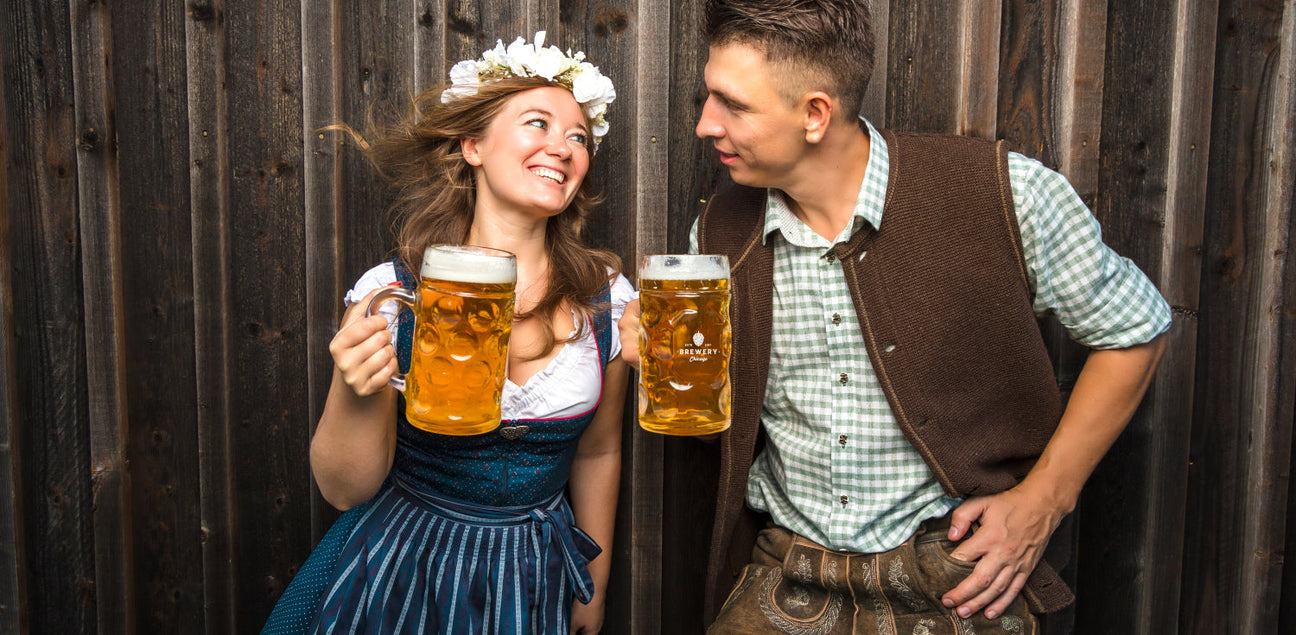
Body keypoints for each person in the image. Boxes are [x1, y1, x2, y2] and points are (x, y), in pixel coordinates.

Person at [618, 1, 1170, 633]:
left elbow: (1135, 331)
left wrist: (1046, 498)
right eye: (707, 98)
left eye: (732, 104)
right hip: (787, 568)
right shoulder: (719, 235)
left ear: (815, 114)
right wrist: (668, 364)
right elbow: (725, 419)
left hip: (961, 570)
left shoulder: (1001, 192)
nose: (704, 125)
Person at [263, 32, 629, 634]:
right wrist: (355, 388)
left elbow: (598, 450)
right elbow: (345, 489)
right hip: (400, 565)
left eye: (578, 137)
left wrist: (596, 585)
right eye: (537, 123)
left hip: (532, 573)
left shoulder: (608, 298)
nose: (561, 147)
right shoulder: (393, 294)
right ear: (473, 145)